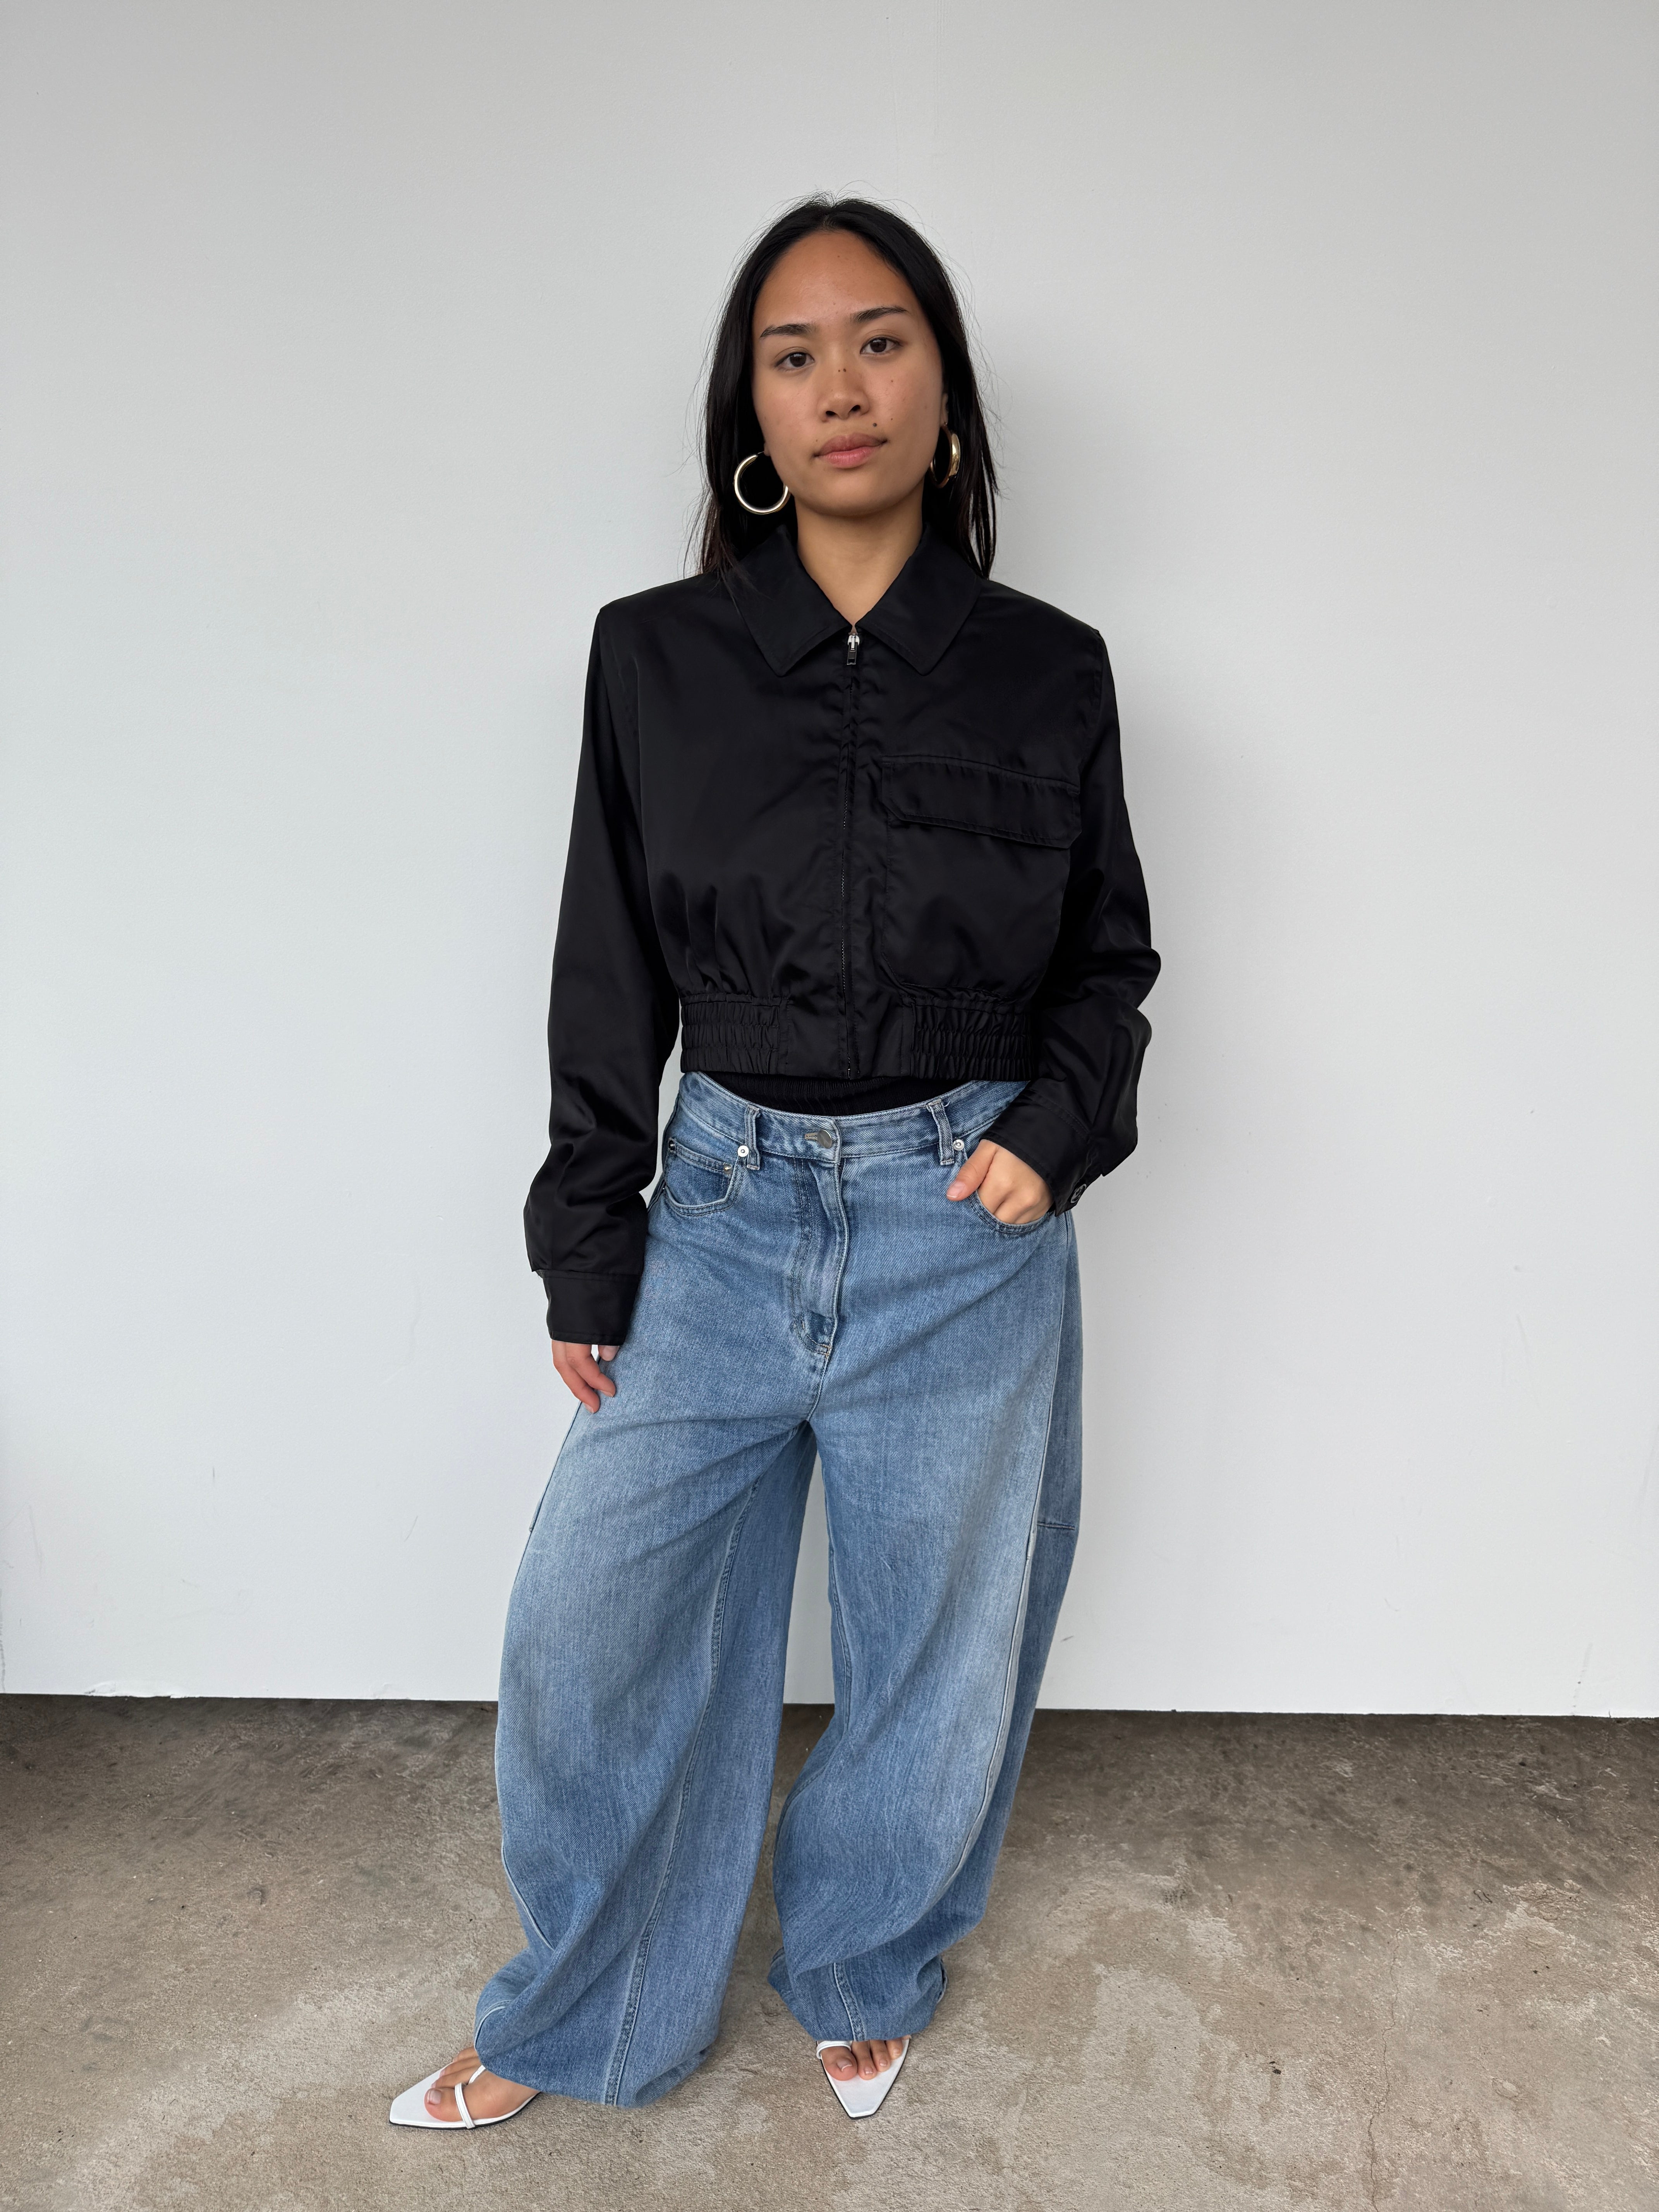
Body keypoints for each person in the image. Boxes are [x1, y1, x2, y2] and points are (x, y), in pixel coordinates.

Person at [390, 194, 1158, 2133]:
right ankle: (592, 2012)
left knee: (939, 1642)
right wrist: (591, 1246)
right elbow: (607, 965)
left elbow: (1109, 962)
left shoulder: (1049, 670)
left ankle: (864, 1961)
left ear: (945, 391)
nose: (842, 387)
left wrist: (1053, 1136)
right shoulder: (657, 659)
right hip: (721, 1216)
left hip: (962, 1222)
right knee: (590, 1624)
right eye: (795, 353)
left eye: (882, 341)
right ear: (751, 405)